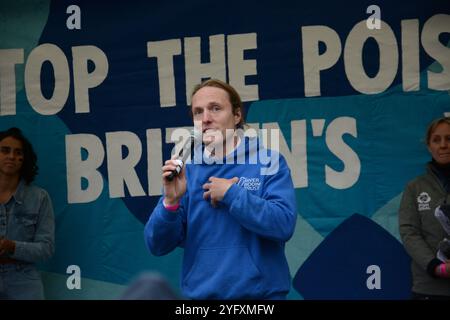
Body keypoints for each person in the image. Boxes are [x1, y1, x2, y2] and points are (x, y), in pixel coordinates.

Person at [144, 79, 297, 299]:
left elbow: (283, 224)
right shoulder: (187, 170)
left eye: (215, 108)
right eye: (198, 112)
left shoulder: (268, 162)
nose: (206, 118)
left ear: (237, 116)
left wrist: (232, 194)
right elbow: (156, 245)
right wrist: (170, 203)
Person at [0, 127, 55, 299]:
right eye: (5, 150)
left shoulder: (40, 197)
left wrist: (12, 246)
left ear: (24, 159)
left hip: (23, 278)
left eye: (18, 152)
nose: (11, 156)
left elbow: (46, 248)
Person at [399, 117, 450, 300]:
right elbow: (409, 232)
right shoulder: (415, 187)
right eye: (437, 140)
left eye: (449, 139)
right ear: (429, 146)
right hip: (428, 290)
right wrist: (436, 266)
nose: (443, 145)